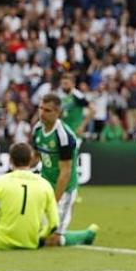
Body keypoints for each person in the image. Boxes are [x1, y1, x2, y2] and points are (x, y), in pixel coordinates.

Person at [0, 143, 97, 249]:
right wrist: (40, 237)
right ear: (31, 160)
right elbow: (54, 223)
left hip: (4, 239)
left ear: (10, 160)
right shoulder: (45, 184)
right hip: (32, 241)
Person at [32, 93, 94, 246]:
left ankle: (86, 235)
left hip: (63, 190)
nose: (42, 113)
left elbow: (65, 173)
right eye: (40, 108)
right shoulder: (37, 129)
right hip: (44, 185)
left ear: (58, 113)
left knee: (52, 240)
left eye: (47, 110)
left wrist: (53, 202)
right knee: (34, 233)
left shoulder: (64, 136)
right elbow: (36, 157)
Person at [58, 72, 94, 138]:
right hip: (63, 131)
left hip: (75, 131)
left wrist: (82, 126)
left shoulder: (77, 96)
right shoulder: (62, 95)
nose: (63, 86)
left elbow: (93, 110)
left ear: (73, 84)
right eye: (62, 84)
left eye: (66, 84)